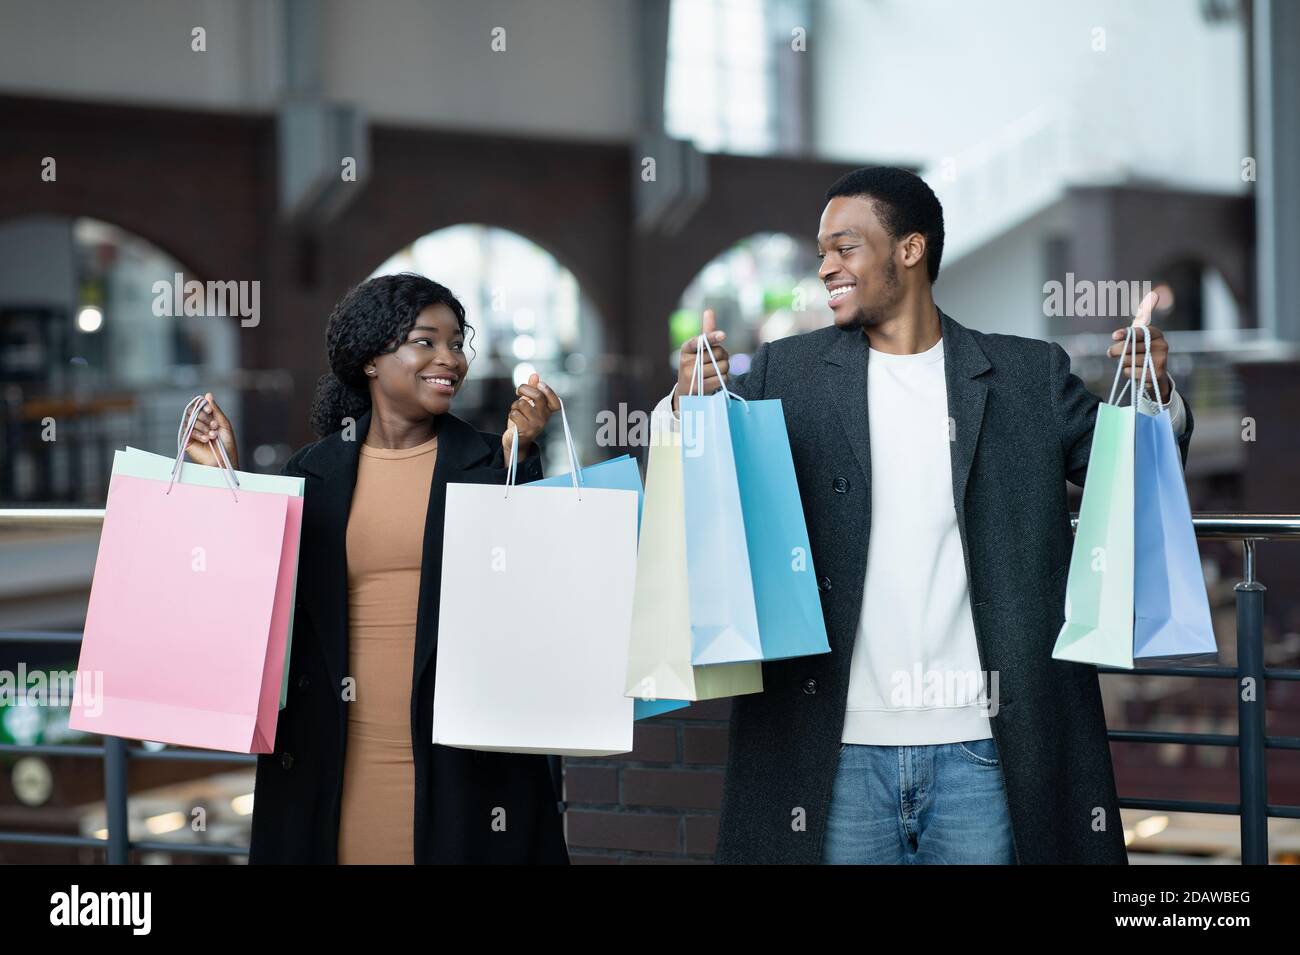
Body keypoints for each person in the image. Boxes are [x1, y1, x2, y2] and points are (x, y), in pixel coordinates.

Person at [654, 166, 1192, 864]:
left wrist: (1153, 395)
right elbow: (704, 493)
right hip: (834, 750)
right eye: (821, 252)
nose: (825, 268)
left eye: (844, 247)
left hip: (986, 749)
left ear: (909, 249)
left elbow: (1127, 477)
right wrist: (685, 407)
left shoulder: (1027, 375)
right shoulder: (785, 374)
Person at [183, 272, 569, 864]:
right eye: (426, 341)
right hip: (330, 761)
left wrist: (518, 452)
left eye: (456, 342)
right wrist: (223, 479)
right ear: (369, 359)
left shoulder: (493, 460)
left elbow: (521, 590)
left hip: (462, 766)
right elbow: (261, 603)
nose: (451, 359)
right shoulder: (312, 470)